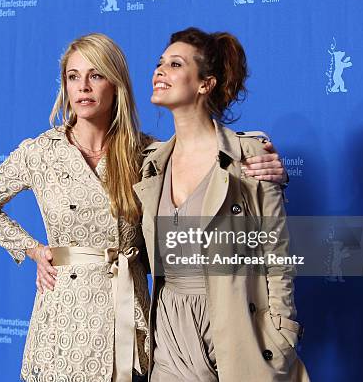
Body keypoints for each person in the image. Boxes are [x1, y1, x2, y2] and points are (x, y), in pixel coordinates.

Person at [0, 33, 151, 382]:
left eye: (96, 75)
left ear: (116, 83)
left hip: (126, 309)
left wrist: (258, 159)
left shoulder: (145, 152)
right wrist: (33, 250)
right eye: (73, 76)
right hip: (66, 314)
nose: (83, 87)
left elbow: (208, 160)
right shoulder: (41, 153)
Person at [133, 27, 310, 381]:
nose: (159, 71)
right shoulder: (150, 162)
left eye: (175, 64)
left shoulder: (251, 156)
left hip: (236, 326)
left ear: (205, 84)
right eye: (160, 63)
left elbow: (277, 255)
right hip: (169, 331)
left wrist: (281, 333)